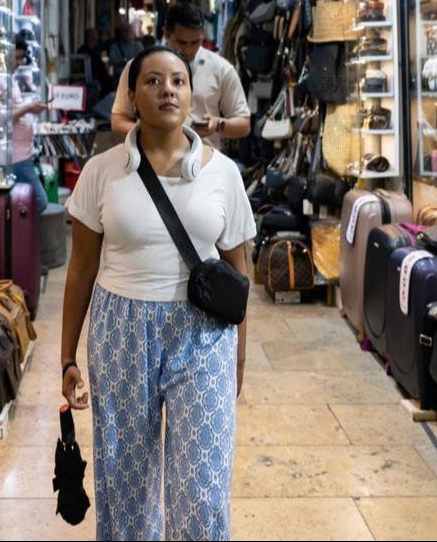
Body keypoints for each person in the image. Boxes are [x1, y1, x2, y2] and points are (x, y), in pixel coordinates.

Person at [61, 45, 254, 540]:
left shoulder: (224, 175)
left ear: (191, 94)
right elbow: (81, 268)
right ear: (131, 95)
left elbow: (240, 270)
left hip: (204, 335)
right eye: (152, 81)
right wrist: (67, 358)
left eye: (178, 80)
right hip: (120, 332)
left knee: (203, 489)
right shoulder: (102, 171)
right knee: (124, 486)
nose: (167, 89)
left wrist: (239, 361)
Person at [111, 2, 251, 150]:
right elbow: (118, 119)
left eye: (196, 42)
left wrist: (218, 125)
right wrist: (147, 133)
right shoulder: (139, 68)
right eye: (182, 42)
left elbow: (244, 125)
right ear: (166, 34)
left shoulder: (221, 69)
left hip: (203, 164)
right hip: (149, 160)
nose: (189, 50)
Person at [9, 34, 48, 213]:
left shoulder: (11, 79)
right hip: (17, 156)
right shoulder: (2, 80)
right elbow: (5, 119)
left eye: (20, 58)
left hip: (23, 153)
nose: (18, 62)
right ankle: (23, 238)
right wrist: (29, 108)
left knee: (27, 201)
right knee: (39, 201)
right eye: (15, 57)